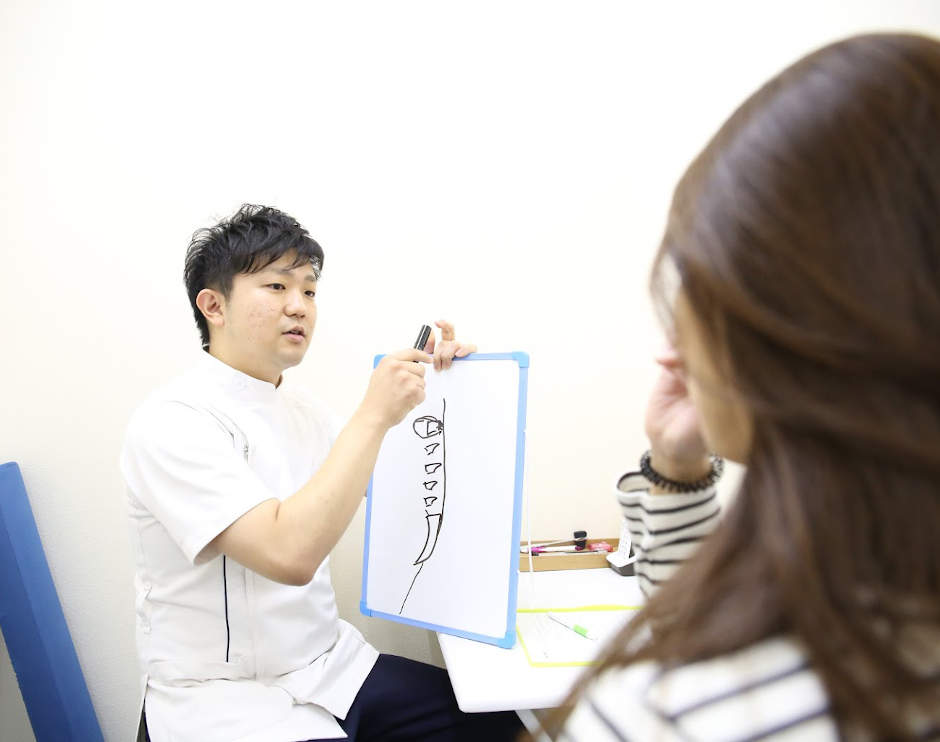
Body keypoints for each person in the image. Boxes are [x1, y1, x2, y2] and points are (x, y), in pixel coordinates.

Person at [548, 33, 940, 741]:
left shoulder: (667, 716)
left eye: (699, 284)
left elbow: (717, 667)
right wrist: (675, 469)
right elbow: (727, 628)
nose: (677, 337)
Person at [120, 205, 524, 741]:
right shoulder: (172, 422)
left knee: (510, 726)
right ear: (213, 305)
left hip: (329, 665)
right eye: (276, 286)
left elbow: (412, 499)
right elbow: (288, 555)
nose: (299, 307)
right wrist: (375, 412)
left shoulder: (306, 413)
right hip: (219, 697)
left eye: (309, 291)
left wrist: (451, 390)